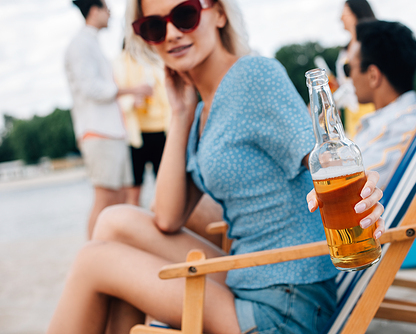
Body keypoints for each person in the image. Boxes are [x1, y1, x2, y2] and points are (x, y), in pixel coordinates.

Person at [48, 0, 385, 333]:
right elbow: (166, 216)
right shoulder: (200, 111)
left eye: (185, 15)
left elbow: (325, 157)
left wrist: (365, 192)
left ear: (220, 13)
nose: (171, 34)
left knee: (93, 261)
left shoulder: (254, 76)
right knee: (113, 222)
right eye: (154, 26)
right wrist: (179, 114)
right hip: (249, 277)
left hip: (286, 302)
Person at [65, 0, 154, 238]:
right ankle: (93, 256)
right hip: (98, 132)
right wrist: (132, 90)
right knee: (105, 198)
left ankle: (113, 250)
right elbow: (91, 88)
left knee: (121, 198)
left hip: (112, 133)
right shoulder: (80, 45)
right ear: (94, 11)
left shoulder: (91, 43)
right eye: (106, 8)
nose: (110, 13)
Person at [346, 19, 416, 189]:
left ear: (373, 75)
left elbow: (352, 190)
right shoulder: (396, 122)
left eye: (349, 68)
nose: (348, 78)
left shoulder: (404, 127)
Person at [114, 47, 171, 206]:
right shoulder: (120, 62)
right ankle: (135, 227)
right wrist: (132, 101)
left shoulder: (159, 56)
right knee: (134, 189)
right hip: (134, 135)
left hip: (163, 130)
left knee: (166, 187)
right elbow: (114, 95)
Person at [334, 0, 377, 137]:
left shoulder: (370, 44)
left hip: (370, 107)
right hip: (351, 113)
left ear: (356, 13)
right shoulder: (344, 50)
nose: (340, 18)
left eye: (345, 13)